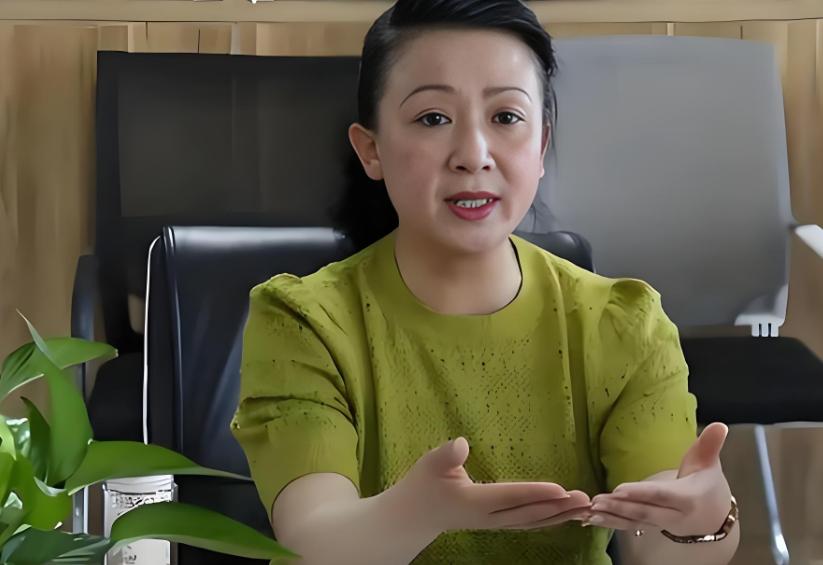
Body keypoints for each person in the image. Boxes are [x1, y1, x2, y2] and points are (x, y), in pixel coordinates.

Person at [230, 1, 740, 563]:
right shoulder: (304, 320)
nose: (473, 156)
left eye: (506, 117)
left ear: (540, 146)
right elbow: (312, 542)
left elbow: (662, 549)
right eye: (433, 118)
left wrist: (702, 517)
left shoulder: (624, 323)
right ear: (371, 149)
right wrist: (417, 514)